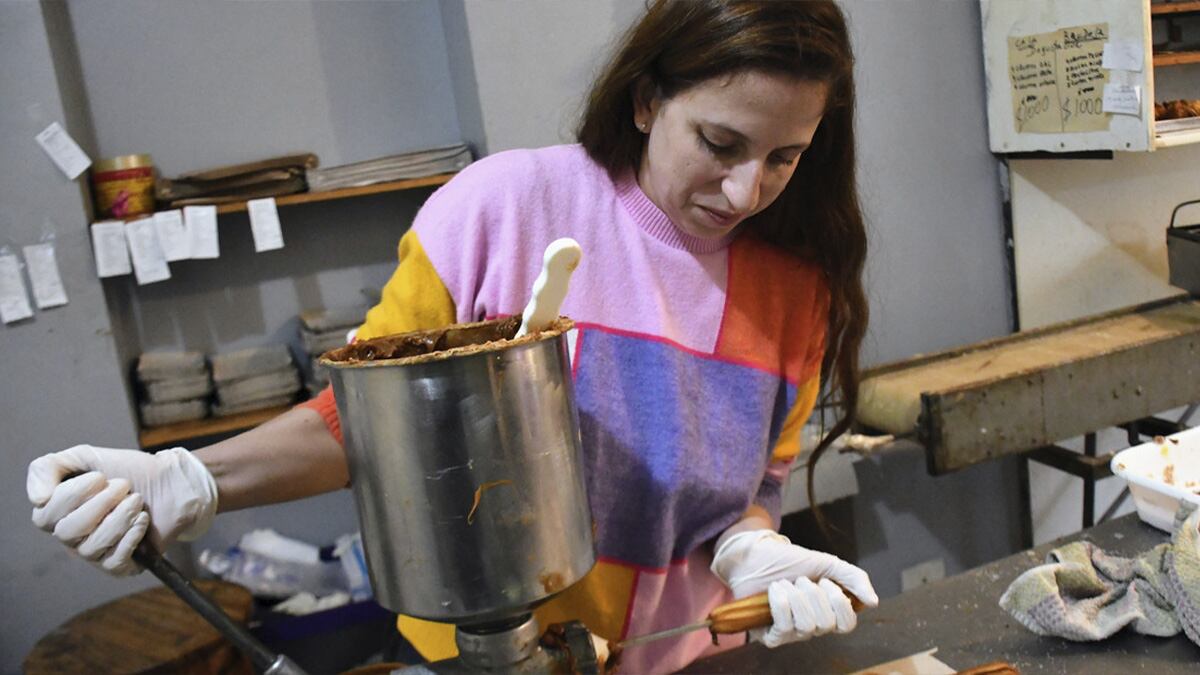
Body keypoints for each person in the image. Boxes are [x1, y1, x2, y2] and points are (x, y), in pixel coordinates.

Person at [26, 1, 878, 671]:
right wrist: (192, 479)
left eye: (784, 157)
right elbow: (366, 420)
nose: (744, 191)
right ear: (648, 99)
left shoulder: (795, 287)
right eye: (721, 143)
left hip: (684, 655)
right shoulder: (501, 211)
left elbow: (756, 484)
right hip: (482, 657)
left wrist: (754, 547)